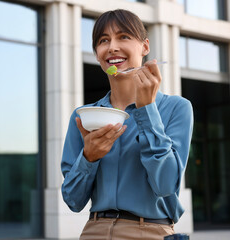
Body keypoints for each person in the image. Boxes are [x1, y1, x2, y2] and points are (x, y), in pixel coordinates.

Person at [61, 9, 193, 240]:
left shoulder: (176, 108)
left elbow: (165, 185)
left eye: (123, 36)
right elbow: (73, 200)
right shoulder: (84, 117)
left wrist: (147, 110)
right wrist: (89, 158)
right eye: (103, 40)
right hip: (94, 232)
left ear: (144, 46)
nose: (112, 47)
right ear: (97, 53)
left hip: (151, 231)